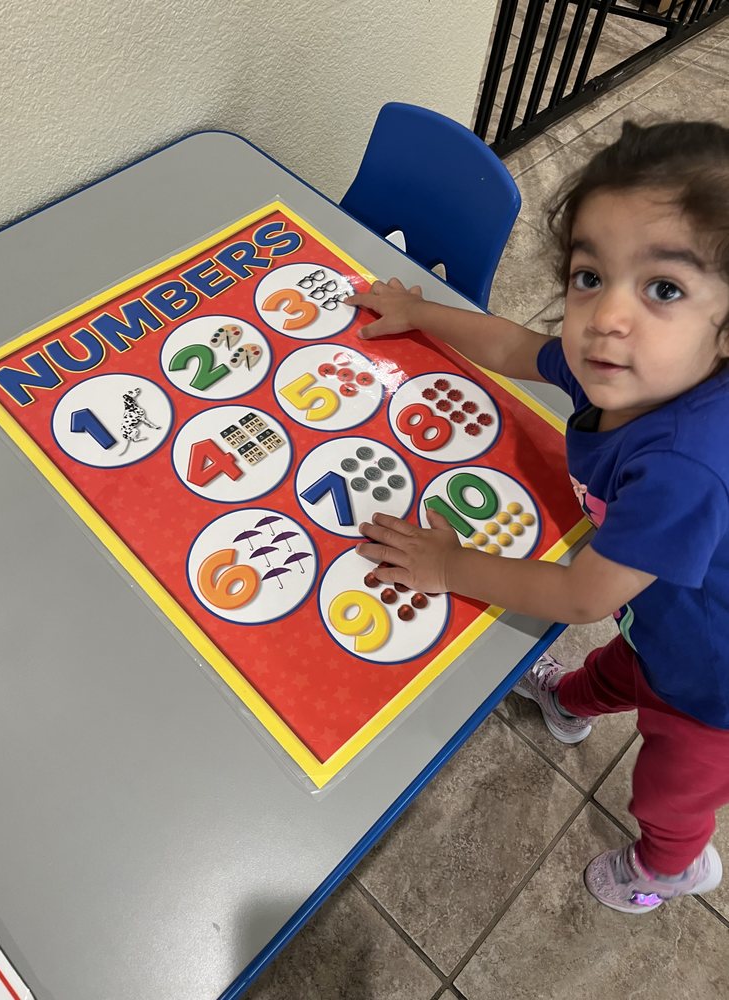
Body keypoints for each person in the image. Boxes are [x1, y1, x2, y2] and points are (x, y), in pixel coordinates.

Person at [346, 120, 729, 915]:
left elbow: (583, 597)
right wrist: (421, 314)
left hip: (714, 690)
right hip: (663, 623)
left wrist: (448, 566)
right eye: (591, 276)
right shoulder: (626, 369)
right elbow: (518, 349)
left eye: (663, 288)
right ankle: (568, 702)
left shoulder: (687, 467)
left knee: (668, 791)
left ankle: (668, 867)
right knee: (622, 667)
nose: (606, 315)